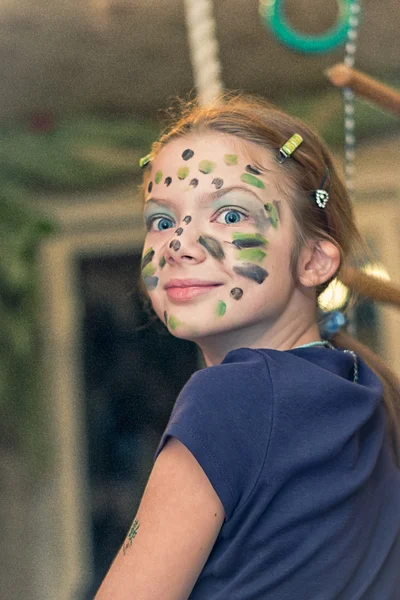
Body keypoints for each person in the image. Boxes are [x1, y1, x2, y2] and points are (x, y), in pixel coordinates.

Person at [95, 94, 400, 599]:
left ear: (315, 260)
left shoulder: (231, 397)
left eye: (231, 214)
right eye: (162, 220)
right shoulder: (363, 393)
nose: (178, 243)